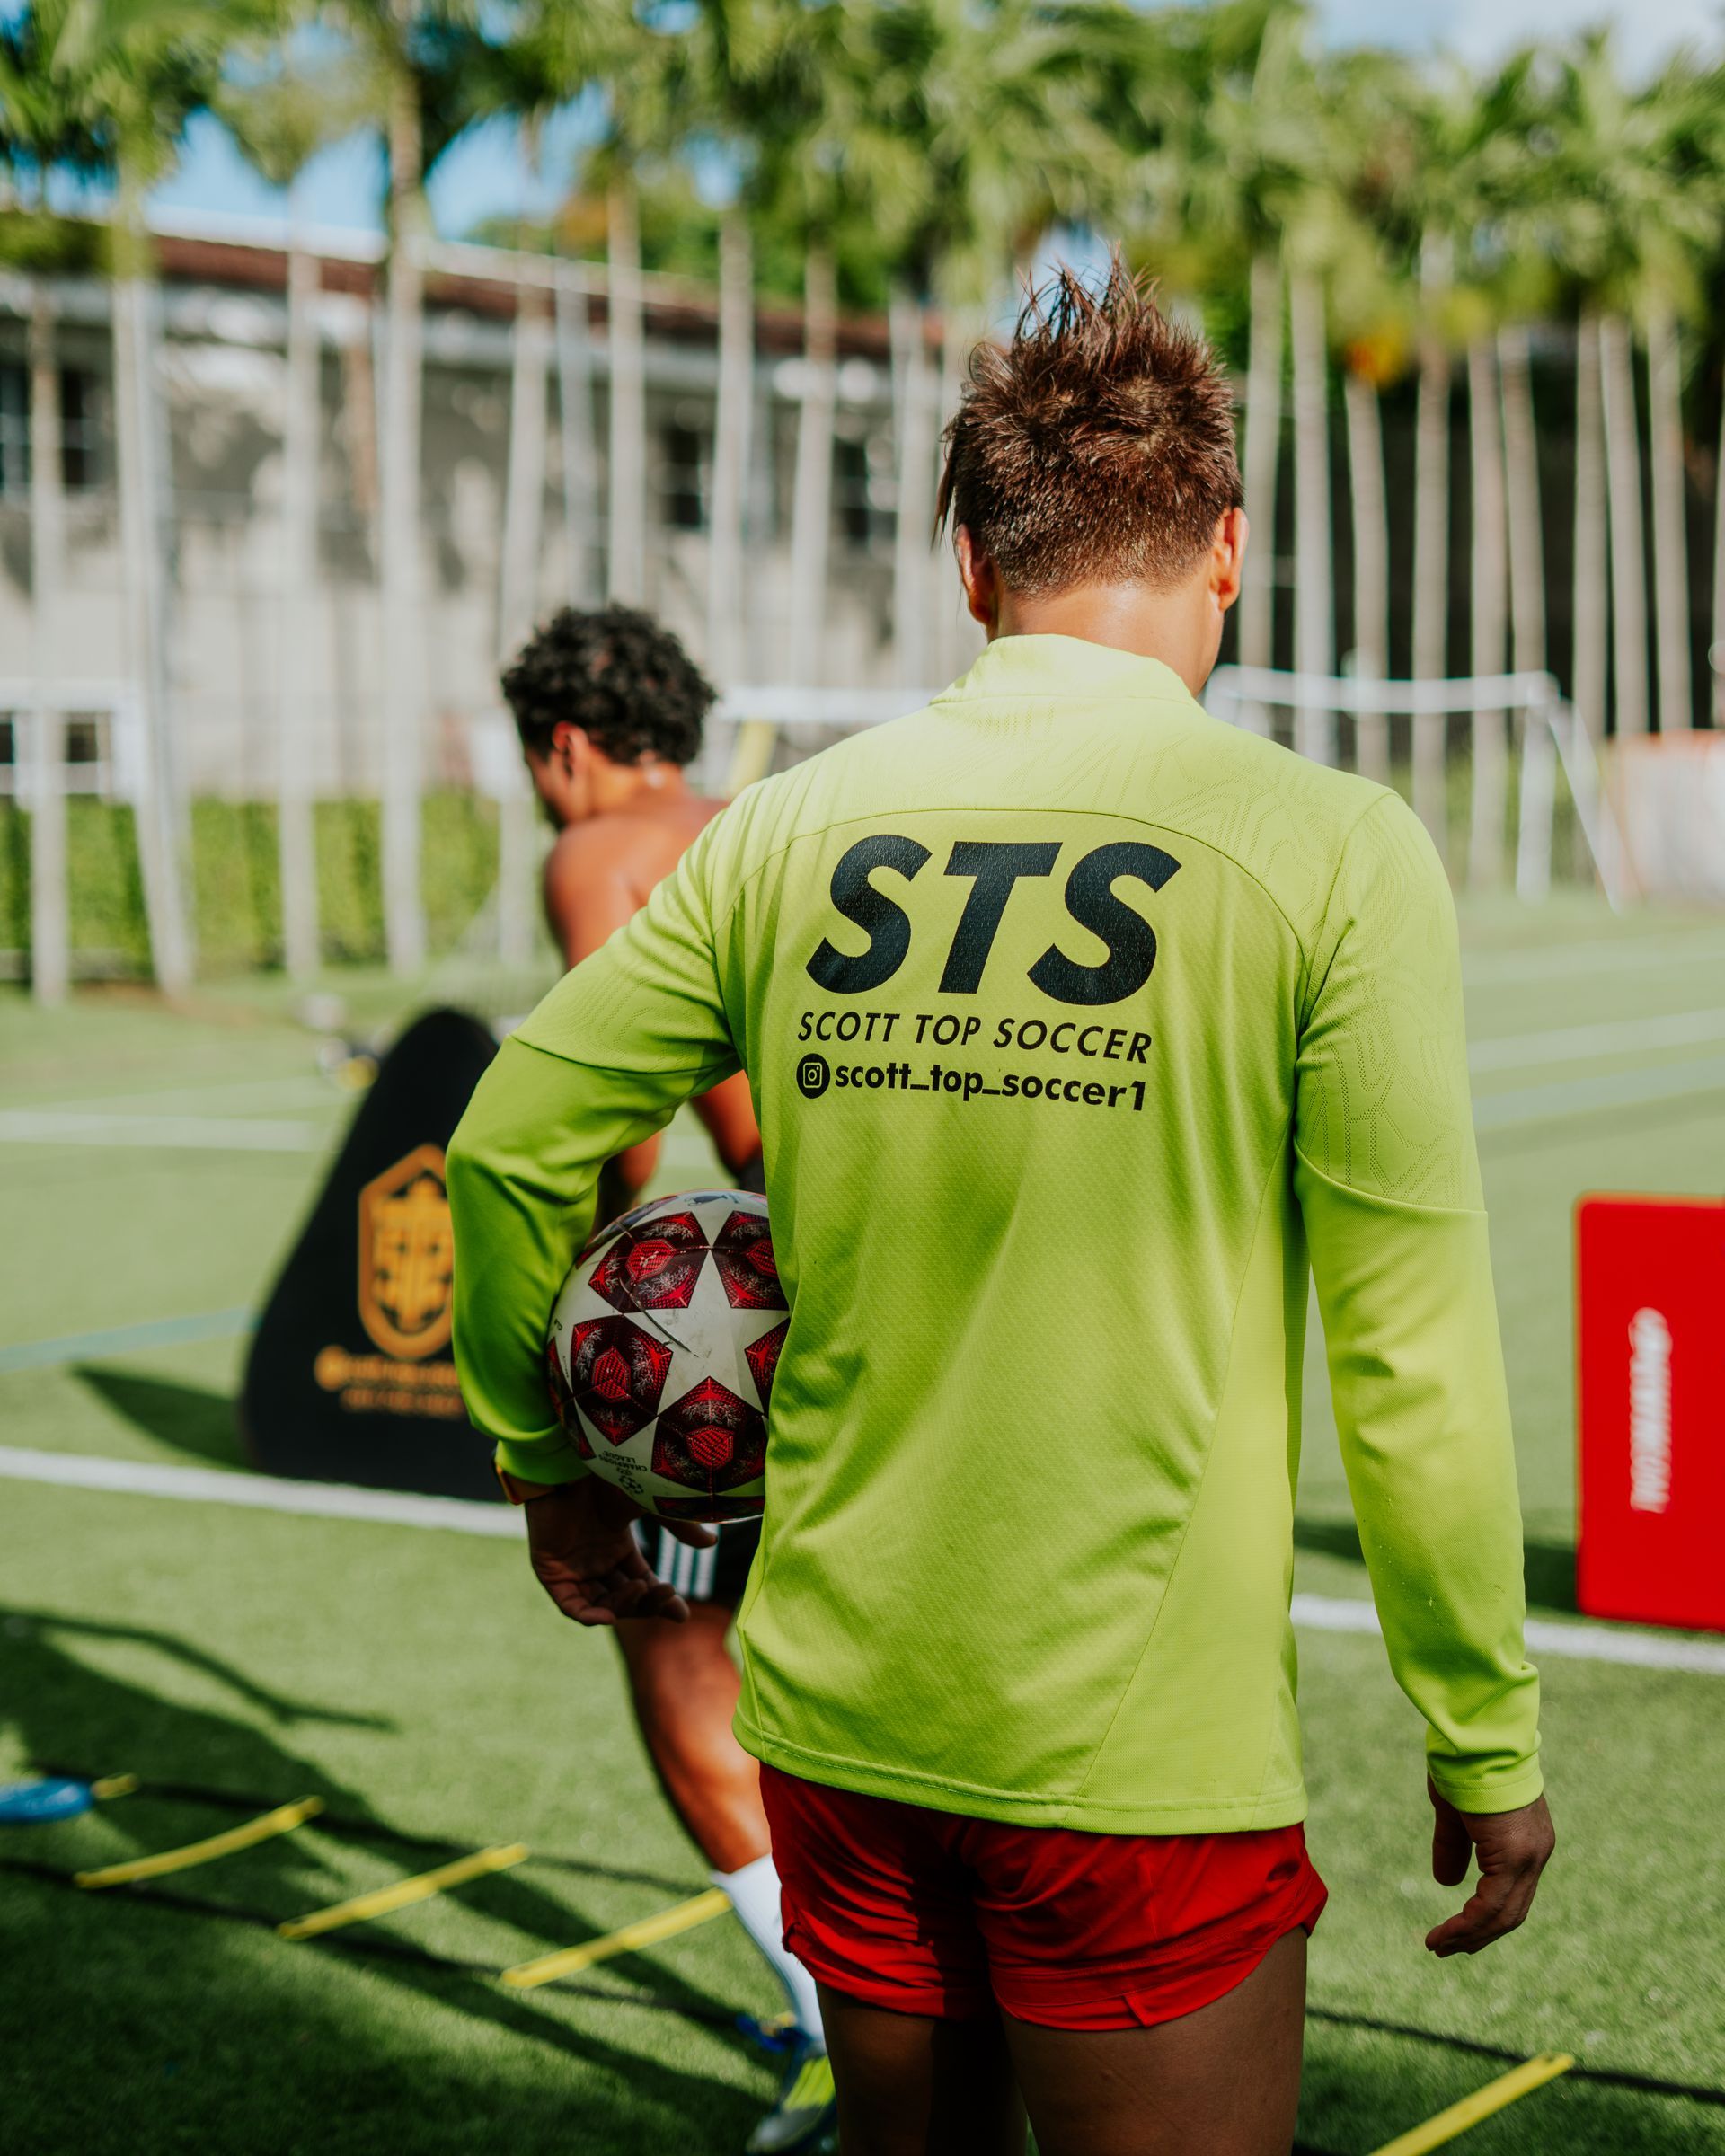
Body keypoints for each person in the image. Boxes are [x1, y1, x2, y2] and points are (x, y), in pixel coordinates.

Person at [448, 267, 1553, 2156]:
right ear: (1227, 550)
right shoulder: (1333, 849)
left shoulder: (787, 825)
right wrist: (1485, 1732)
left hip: (840, 1729)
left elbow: (504, 1147)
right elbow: (1411, 1355)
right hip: (1135, 1765)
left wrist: (546, 1462)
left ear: (968, 562)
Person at [497, 606, 832, 2152]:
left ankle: (841, 2038)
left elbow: (604, 1110)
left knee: (679, 1667)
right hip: (886, 1273)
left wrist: (596, 1329)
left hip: (750, 1312)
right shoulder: (776, 815)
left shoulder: (595, 850)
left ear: (564, 748)